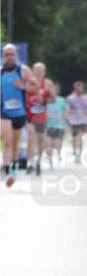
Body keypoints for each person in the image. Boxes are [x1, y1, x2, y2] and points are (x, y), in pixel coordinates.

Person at [1, 43, 33, 187]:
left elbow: (36, 85)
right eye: (6, 54)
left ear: (16, 55)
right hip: (4, 111)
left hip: (19, 112)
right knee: (7, 141)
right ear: (3, 56)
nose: (9, 56)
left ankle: (13, 168)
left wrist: (23, 86)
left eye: (12, 54)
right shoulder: (0, 71)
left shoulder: (23, 70)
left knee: (14, 143)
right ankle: (6, 169)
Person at [25, 69, 52, 175]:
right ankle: (29, 163)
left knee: (40, 141)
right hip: (30, 116)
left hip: (42, 116)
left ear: (44, 72)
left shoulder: (47, 84)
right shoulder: (28, 83)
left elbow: (51, 99)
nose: (38, 72)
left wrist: (44, 99)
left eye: (40, 70)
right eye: (36, 70)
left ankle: (38, 162)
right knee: (31, 138)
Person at [66, 81, 87, 163]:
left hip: (83, 120)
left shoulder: (86, 99)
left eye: (81, 87)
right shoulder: (70, 98)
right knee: (75, 138)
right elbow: (67, 109)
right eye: (78, 87)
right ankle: (74, 150)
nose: (80, 89)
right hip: (73, 121)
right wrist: (70, 113)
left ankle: (79, 154)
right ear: (75, 88)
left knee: (80, 137)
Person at [45, 82, 67, 167]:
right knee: (48, 145)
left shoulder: (61, 100)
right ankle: (50, 162)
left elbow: (66, 109)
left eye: (53, 90)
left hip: (58, 125)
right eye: (50, 90)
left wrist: (63, 118)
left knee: (56, 145)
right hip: (47, 125)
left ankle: (58, 152)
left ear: (57, 91)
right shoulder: (45, 100)